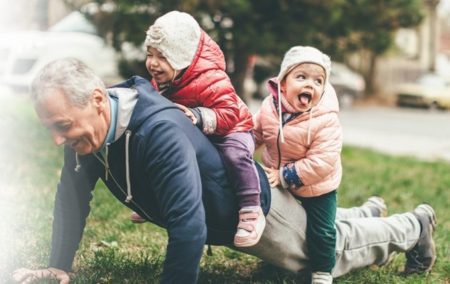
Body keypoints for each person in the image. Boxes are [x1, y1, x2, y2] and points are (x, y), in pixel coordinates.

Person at [13, 58, 437, 284]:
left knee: (332, 251)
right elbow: (71, 200)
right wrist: (58, 264)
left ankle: (413, 227)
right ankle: (364, 211)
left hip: (254, 211)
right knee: (323, 228)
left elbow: (188, 225)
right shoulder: (89, 132)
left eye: (62, 126)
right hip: (230, 214)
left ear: (98, 100)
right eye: (51, 127)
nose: (57, 139)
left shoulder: (157, 130)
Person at [137, 10, 265, 247]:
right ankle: (156, 198)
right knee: (166, 152)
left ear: (182, 57)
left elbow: (229, 114)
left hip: (233, 128)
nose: (153, 63)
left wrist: (197, 116)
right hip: (199, 130)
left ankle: (251, 208)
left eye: (162, 57)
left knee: (234, 155)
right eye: (149, 54)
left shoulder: (212, 77)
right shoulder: (165, 80)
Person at [253, 45, 341, 283]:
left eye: (318, 80)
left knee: (321, 230)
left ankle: (322, 270)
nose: (310, 85)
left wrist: (284, 176)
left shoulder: (326, 119)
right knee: (275, 219)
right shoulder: (269, 108)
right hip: (279, 177)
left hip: (317, 185)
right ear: (282, 83)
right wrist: (241, 149)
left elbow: (322, 161)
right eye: (301, 77)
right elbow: (256, 133)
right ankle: (274, 258)